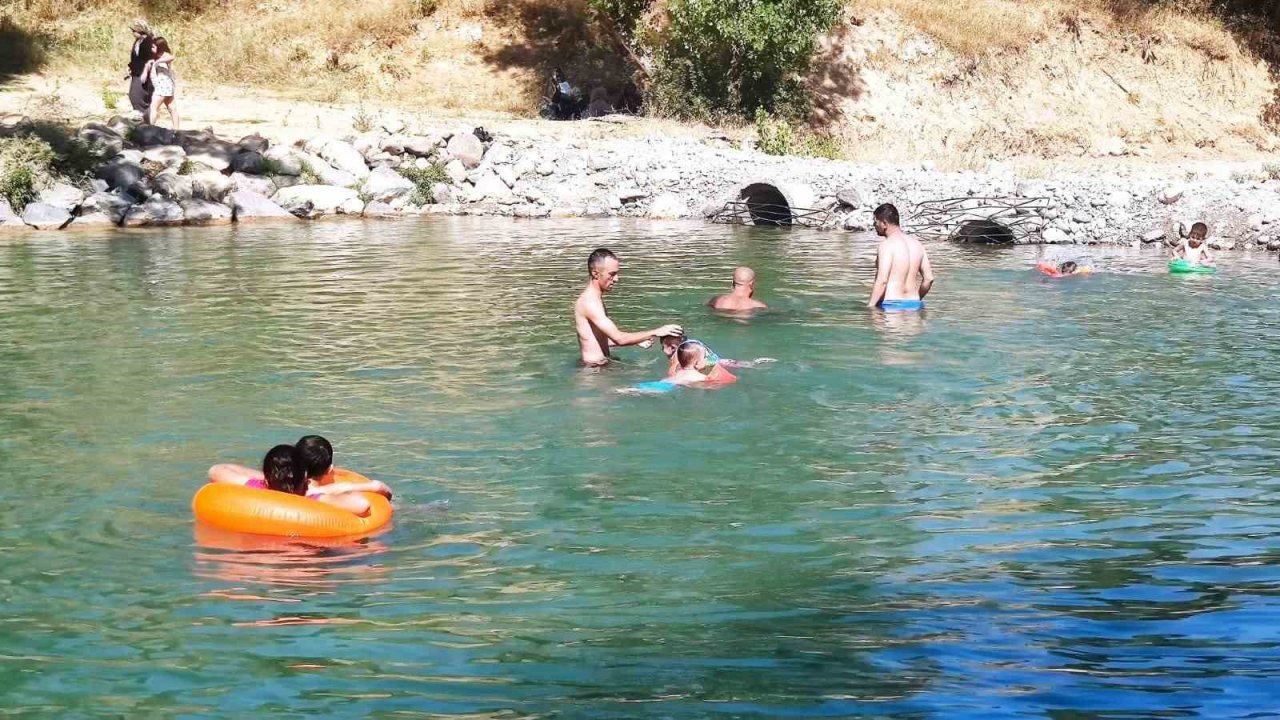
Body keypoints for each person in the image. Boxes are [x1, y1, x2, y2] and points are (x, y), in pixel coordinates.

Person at [208, 435, 392, 508]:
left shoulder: (255, 487)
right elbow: (361, 504)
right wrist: (368, 486)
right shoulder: (314, 496)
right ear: (305, 475)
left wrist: (272, 476)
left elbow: (217, 470)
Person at [574, 248, 682, 367]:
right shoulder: (589, 303)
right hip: (594, 372)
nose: (616, 279)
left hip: (600, 367)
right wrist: (657, 331)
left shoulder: (594, 300)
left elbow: (597, 340)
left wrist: (636, 341)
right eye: (612, 274)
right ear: (595, 273)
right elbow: (620, 339)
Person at [867, 203, 934, 311]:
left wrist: (870, 308)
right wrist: (915, 300)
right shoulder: (917, 244)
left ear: (884, 223)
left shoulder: (887, 245)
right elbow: (929, 279)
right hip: (914, 305)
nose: (874, 225)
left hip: (891, 306)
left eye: (875, 222)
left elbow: (882, 281)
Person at [143, 37, 179, 131]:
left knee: (154, 107)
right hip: (165, 85)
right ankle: (176, 129)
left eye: (153, 46)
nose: (151, 48)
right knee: (171, 107)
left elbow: (172, 57)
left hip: (163, 85)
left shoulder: (164, 56)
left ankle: (150, 128)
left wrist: (157, 62)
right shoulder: (155, 56)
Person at [666, 340, 736, 387]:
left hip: (673, 382)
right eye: (704, 357)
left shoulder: (675, 374)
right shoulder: (704, 378)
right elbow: (731, 380)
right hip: (697, 384)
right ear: (697, 362)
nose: (706, 360)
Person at [125, 20, 155, 122]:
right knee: (133, 95)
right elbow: (135, 57)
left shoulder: (148, 42)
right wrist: (130, 66)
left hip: (144, 74)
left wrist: (146, 71)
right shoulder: (138, 41)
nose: (133, 33)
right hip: (136, 72)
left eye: (134, 30)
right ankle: (141, 118)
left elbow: (151, 59)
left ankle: (146, 120)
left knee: (140, 97)